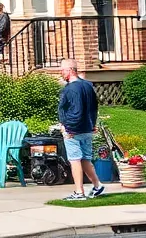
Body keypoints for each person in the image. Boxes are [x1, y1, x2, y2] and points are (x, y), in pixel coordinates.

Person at [58, 58, 104, 201]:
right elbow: (93, 108)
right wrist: (92, 123)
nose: (61, 73)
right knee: (85, 159)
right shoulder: (88, 86)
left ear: (70, 70)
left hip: (74, 131)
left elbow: (75, 111)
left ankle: (79, 192)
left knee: (75, 160)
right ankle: (97, 185)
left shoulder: (72, 88)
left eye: (62, 70)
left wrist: (69, 128)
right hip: (87, 128)